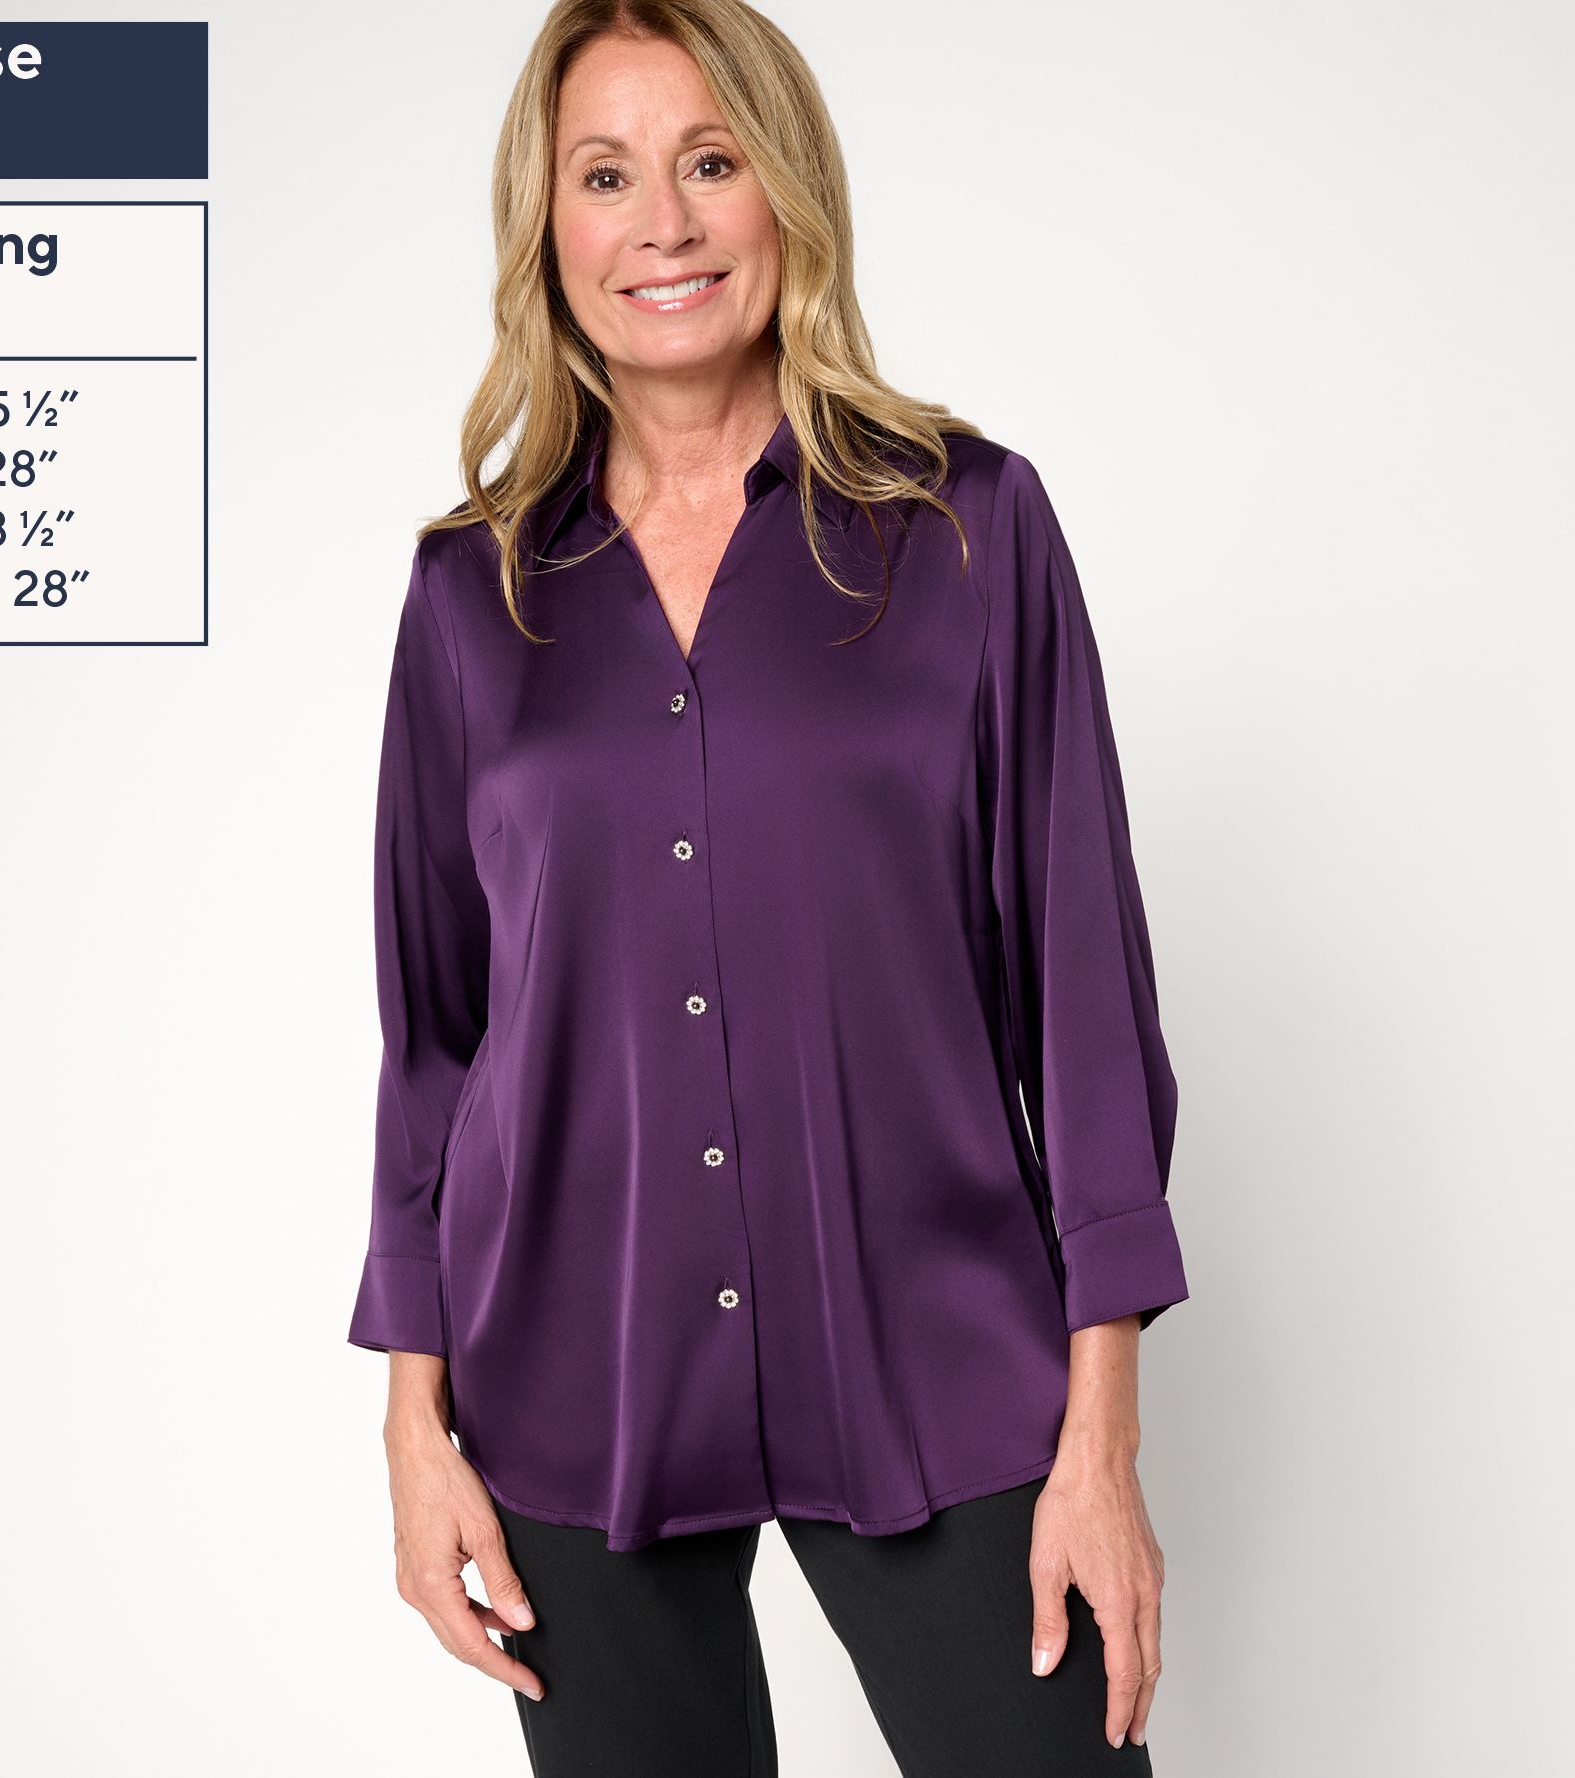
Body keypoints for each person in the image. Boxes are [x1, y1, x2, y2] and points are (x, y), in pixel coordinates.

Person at [346, 3, 1192, 1771]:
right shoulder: (469, 599)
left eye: (710, 161)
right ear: (547, 228)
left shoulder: (967, 530)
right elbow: (435, 1041)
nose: (662, 223)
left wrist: (1100, 1436)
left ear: (787, 192)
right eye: (605, 175)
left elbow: (1085, 999)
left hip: (935, 1351)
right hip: (571, 1378)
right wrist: (414, 1423)